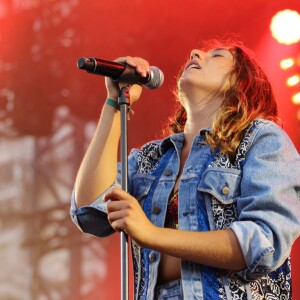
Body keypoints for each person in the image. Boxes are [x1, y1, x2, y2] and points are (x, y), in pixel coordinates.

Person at [70, 38, 300, 299]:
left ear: (240, 83)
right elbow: (89, 208)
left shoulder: (261, 140)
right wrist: (114, 103)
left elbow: (263, 242)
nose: (195, 53)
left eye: (217, 56)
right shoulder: (152, 159)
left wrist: (152, 234)